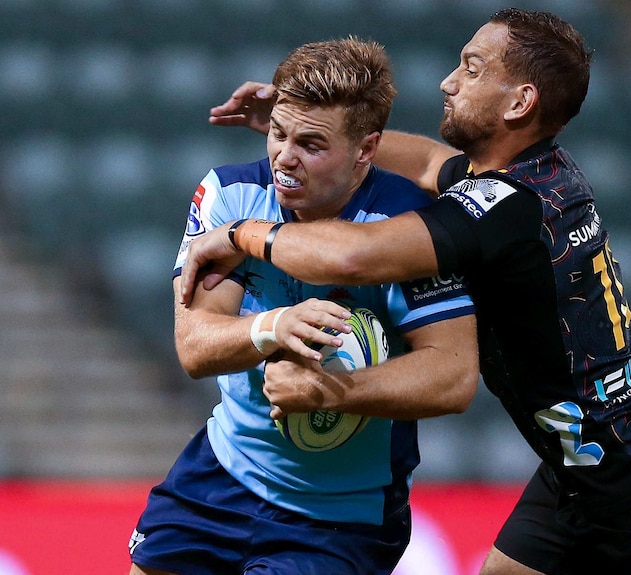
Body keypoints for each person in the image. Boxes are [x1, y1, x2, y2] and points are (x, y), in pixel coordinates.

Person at [185, 8, 631, 575]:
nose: (449, 81)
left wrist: (242, 233)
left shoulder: (503, 207)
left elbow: (353, 255)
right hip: (574, 467)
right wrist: (317, 129)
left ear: (520, 102)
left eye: (473, 67)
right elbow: (430, 161)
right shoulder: (525, 177)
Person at [128, 37, 478, 575]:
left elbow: (453, 376)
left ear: (367, 149)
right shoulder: (232, 194)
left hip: (343, 516)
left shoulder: (412, 228)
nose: (284, 159)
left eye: (311, 144)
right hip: (221, 474)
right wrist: (271, 328)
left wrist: (331, 392)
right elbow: (194, 346)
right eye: (277, 132)